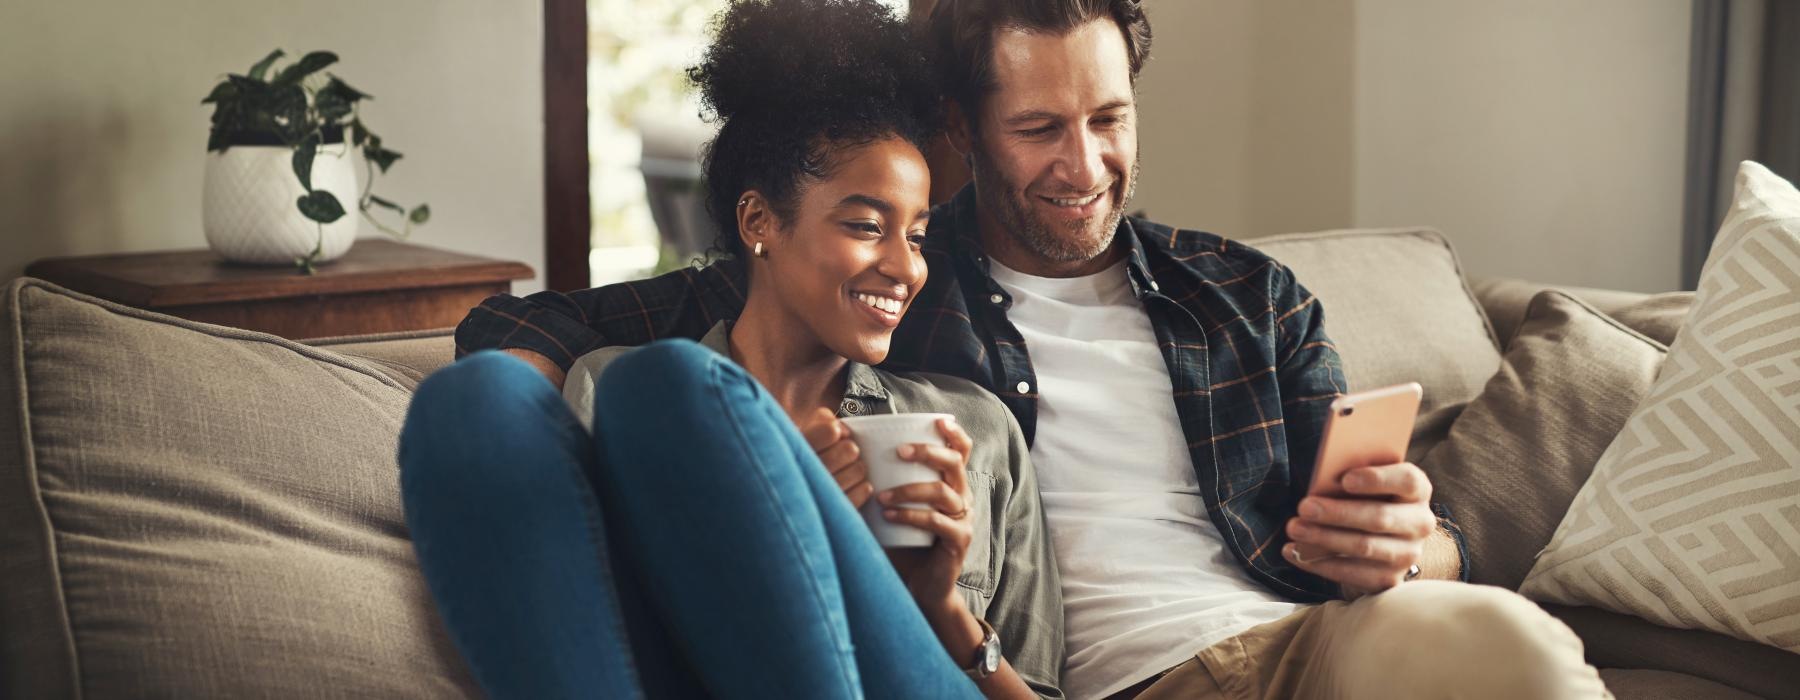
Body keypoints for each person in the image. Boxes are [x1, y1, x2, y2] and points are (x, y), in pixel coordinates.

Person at [458, 1, 1612, 699]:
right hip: (1145, 681)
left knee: (1509, 642)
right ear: (963, 132)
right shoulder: (885, 277)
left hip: (1323, 645)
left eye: (1109, 120)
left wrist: (1425, 545)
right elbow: (534, 326)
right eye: (1040, 128)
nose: (1085, 162)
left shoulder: (1246, 296)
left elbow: (1400, 525)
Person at [400, 1, 1064, 698]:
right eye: (868, 225)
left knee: (672, 384)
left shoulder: (976, 428)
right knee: (470, 399)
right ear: (758, 221)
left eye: (918, 236)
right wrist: (770, 498)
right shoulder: (610, 389)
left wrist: (939, 604)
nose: (907, 268)